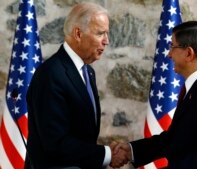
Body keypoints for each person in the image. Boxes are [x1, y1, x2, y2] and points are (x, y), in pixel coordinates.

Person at [111, 21, 197, 169]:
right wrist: (131, 150)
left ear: (189, 53)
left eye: (172, 46)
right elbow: (175, 139)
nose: (169, 54)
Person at [25, 2, 127, 169]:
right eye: (100, 33)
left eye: (107, 34)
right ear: (78, 33)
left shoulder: (88, 72)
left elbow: (83, 134)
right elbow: (56, 143)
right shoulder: (51, 74)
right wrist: (107, 154)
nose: (106, 41)